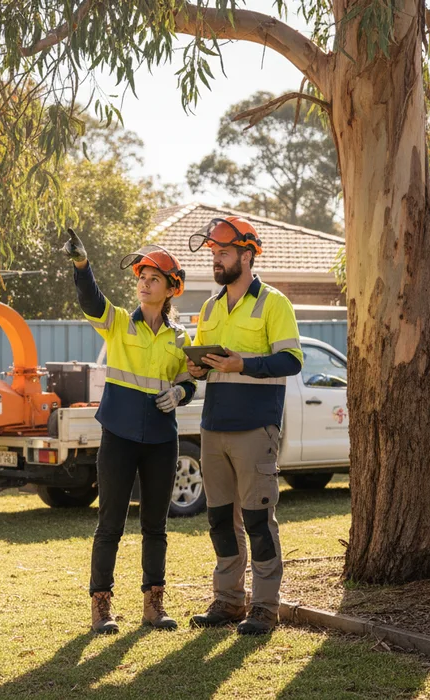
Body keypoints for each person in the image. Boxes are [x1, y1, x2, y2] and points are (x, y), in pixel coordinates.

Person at [62, 228, 197, 634]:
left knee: (156, 526)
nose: (143, 284)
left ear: (171, 289)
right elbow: (90, 300)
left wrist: (180, 392)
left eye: (153, 279)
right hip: (118, 437)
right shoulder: (119, 322)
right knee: (110, 526)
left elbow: (190, 381)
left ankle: (153, 606)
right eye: (140, 278)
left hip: (161, 440)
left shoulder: (180, 337)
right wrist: (82, 266)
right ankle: (101, 607)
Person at [184, 216, 303, 636]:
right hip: (213, 427)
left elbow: (291, 361)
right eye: (214, 255)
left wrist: (244, 364)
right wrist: (196, 368)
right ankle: (230, 601)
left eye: (224, 254)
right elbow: (209, 369)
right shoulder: (210, 306)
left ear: (247, 255)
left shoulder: (274, 303)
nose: (216, 261)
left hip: (256, 428)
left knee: (257, 520)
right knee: (220, 520)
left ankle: (265, 608)